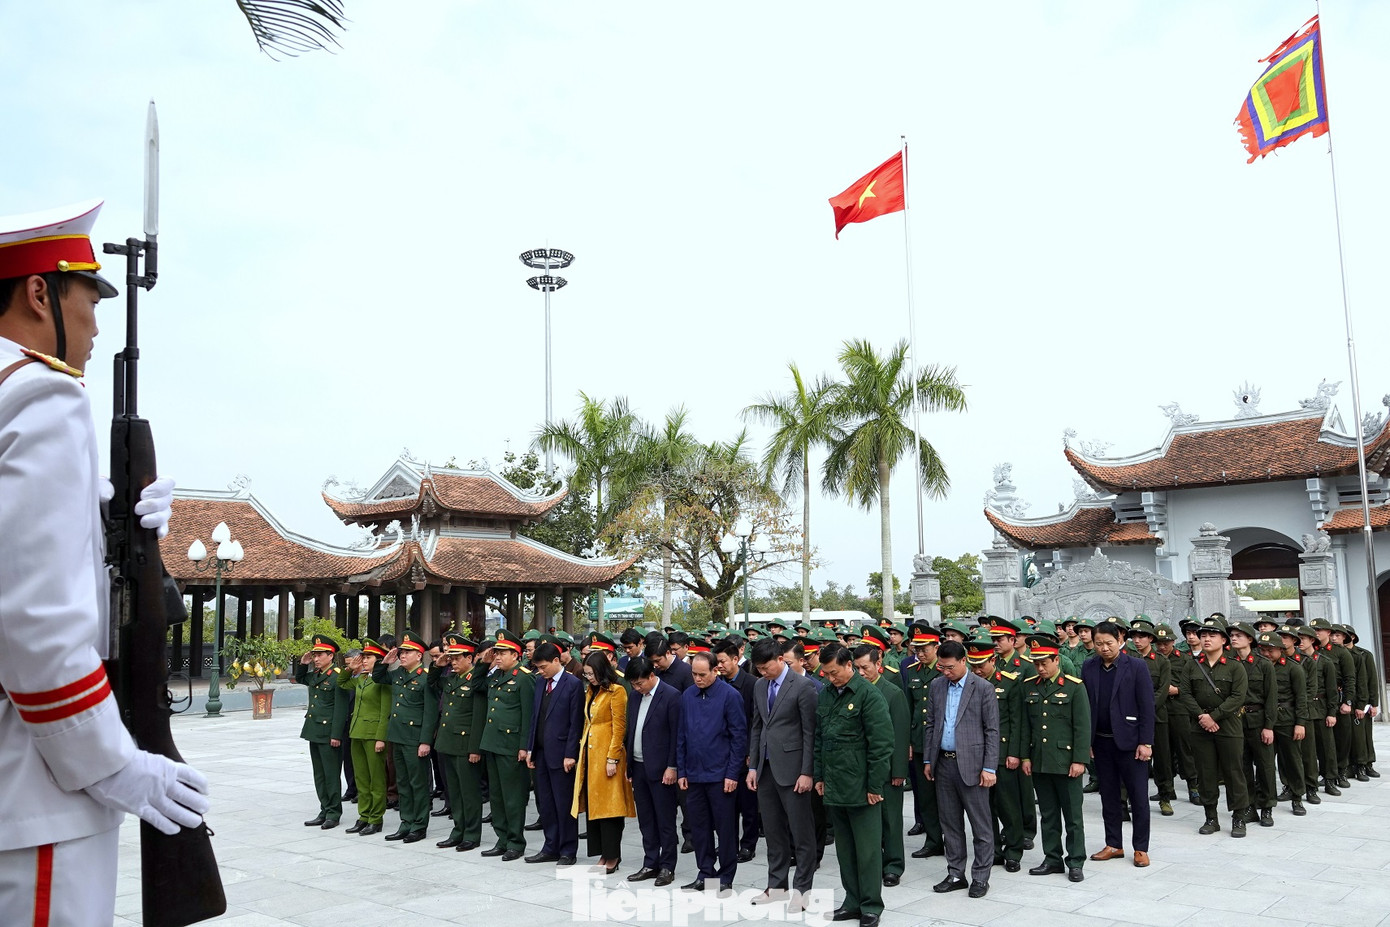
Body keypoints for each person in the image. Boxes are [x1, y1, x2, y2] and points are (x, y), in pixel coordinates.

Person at [0, 200, 211, 925]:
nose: (93, 324)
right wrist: (114, 763)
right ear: (39, 293)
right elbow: (38, 626)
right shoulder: (42, 397)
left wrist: (104, 524)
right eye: (89, 299)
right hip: (37, 792)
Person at [816, 643, 892, 927]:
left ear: (849, 665)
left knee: (869, 852)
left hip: (862, 788)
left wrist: (875, 786)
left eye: (834, 672)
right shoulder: (826, 694)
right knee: (845, 851)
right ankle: (852, 901)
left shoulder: (868, 695)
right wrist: (820, 776)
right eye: (826, 673)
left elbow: (881, 746)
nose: (830, 678)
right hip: (835, 785)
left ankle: (871, 906)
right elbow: (820, 740)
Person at [920, 639, 999, 899]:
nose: (945, 672)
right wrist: (929, 760)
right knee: (950, 823)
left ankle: (980, 877)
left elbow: (991, 731)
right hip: (943, 763)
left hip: (973, 766)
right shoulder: (937, 686)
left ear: (964, 661)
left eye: (950, 667)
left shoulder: (983, 688)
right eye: (941, 667)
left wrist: (989, 767)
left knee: (981, 825)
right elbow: (931, 724)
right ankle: (955, 873)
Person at [746, 638, 819, 911]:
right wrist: (753, 766)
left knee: (801, 834)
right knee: (774, 833)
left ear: (780, 659)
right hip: (765, 770)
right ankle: (776, 886)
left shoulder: (804, 686)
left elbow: (811, 733)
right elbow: (756, 727)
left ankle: (802, 890)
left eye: (767, 667)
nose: (763, 672)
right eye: (759, 669)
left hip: (794, 771)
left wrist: (806, 772)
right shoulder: (759, 686)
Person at [1082, 621, 1156, 868]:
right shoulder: (1089, 666)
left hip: (1130, 743)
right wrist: (1087, 741)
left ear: (1120, 640)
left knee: (1138, 797)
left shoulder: (1135, 666)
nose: (1103, 648)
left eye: (1108, 643)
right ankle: (1113, 844)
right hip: (1101, 743)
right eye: (1099, 643)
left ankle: (1141, 848)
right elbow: (1086, 707)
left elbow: (1147, 707)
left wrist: (1146, 742)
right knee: (1109, 796)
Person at [1019, 637, 1090, 882]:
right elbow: (1026, 726)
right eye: (1036, 663)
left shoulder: (1074, 686)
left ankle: (1076, 861)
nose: (1039, 668)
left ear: (1056, 660)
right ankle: (1052, 859)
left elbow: (1082, 727)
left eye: (1044, 663)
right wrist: (1026, 756)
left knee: (1072, 816)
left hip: (1066, 761)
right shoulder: (1029, 686)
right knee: (1048, 814)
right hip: (1040, 761)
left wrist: (1079, 760)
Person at [676, 652, 746, 895]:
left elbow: (739, 738)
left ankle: (726, 875)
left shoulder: (730, 696)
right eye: (694, 674)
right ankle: (705, 873)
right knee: (699, 828)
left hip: (720, 776)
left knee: (725, 828)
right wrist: (682, 770)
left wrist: (732, 774)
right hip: (694, 775)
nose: (697, 679)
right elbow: (682, 735)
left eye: (702, 674)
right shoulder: (688, 696)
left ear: (716, 670)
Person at [1176, 615, 1251, 837]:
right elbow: (1185, 693)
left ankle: (1238, 817)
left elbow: (1238, 697)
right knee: (1205, 772)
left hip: (1228, 727)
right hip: (1200, 727)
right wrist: (1202, 716)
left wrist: (1214, 717)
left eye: (1212, 635)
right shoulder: (1192, 665)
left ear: (1223, 640)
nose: (1206, 639)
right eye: (1203, 635)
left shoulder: (1235, 667)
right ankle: (1211, 817)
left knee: (1233, 772)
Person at [854, 627, 909, 889]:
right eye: (857, 668)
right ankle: (873, 863)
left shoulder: (892, 693)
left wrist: (899, 771)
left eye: (866, 667)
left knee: (890, 819)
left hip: (887, 769)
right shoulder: (855, 692)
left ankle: (894, 865)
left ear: (879, 664)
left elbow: (900, 735)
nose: (861, 673)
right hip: (862, 766)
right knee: (869, 820)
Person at [572, 652, 636, 874]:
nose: (588, 677)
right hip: (590, 756)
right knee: (594, 806)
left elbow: (620, 727)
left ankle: (613, 856)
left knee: (610, 808)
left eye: (591, 673)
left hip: (608, 757)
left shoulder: (616, 691)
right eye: (586, 674)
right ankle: (601, 853)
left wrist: (613, 757)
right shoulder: (592, 690)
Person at [372, 631, 438, 843]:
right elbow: (378, 677)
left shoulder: (426, 678)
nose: (402, 655)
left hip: (414, 738)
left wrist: (425, 741)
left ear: (419, 655)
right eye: (401, 652)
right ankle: (406, 822)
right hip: (397, 736)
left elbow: (430, 712)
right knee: (402, 782)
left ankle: (419, 825)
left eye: (408, 652)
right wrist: (385, 661)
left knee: (417, 783)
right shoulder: (398, 674)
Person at [624, 656, 681, 887]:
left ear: (651, 676)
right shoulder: (635, 697)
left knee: (664, 819)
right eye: (633, 685)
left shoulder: (671, 696)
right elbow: (632, 729)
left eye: (639, 683)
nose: (637, 688)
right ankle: (650, 862)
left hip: (662, 769)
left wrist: (672, 766)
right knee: (646, 819)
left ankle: (667, 866)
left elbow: (677, 735)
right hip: (638, 766)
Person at [478, 629, 535, 859]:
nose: (498, 656)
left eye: (502, 653)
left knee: (513, 797)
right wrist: (483, 663)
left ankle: (515, 842)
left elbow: (528, 715)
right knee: (497, 796)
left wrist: (524, 746)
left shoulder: (524, 677)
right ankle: (502, 839)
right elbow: (476, 687)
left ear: (516, 655)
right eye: (496, 653)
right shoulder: (495, 676)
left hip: (512, 746)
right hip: (493, 743)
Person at [527, 640, 584, 865]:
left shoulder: (573, 684)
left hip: (562, 755)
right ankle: (550, 846)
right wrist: (530, 748)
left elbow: (575, 722)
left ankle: (568, 850)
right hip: (541, 753)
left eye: (543, 667)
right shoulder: (540, 683)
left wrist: (570, 753)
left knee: (563, 804)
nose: (540, 672)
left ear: (556, 661)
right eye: (537, 668)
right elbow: (535, 718)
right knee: (546, 804)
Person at [428, 634, 486, 851]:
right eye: (450, 658)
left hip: (465, 746)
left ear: (469, 658)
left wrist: (475, 749)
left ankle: (471, 834)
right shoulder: (451, 678)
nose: (452, 661)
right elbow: (431, 682)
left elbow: (478, 717)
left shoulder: (476, 681)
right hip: (447, 743)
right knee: (454, 791)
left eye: (457, 657)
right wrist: (437, 664)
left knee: (469, 792)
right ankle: (458, 830)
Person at [294, 635, 350, 830]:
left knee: (331, 773)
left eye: (319, 655)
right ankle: (324, 809)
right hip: (314, 730)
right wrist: (303, 663)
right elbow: (300, 678)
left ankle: (334, 812)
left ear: (330, 655)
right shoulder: (316, 675)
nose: (316, 658)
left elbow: (341, 709)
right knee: (319, 774)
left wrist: (336, 735)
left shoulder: (337, 676)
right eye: (314, 655)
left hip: (329, 733)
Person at [714, 638, 759, 863]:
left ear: (735, 659)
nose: (719, 666)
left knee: (748, 805)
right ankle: (727, 844)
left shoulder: (752, 684)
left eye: (722, 661)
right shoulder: (716, 685)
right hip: (722, 754)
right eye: (717, 662)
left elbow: (756, 721)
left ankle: (748, 845)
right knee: (725, 806)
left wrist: (752, 751)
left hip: (745, 755)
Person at [902, 624, 945, 862]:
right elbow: (908, 707)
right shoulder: (912, 670)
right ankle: (933, 840)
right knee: (926, 795)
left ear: (936, 647)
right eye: (916, 648)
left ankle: (951, 836)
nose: (920, 653)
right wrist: (908, 740)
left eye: (925, 648)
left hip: (944, 742)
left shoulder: (946, 668)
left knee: (947, 795)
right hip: (920, 741)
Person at [1229, 622, 1278, 828]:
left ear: (1250, 639)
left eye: (1239, 635)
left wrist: (1269, 726)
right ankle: (1248, 807)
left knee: (1265, 765)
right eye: (1232, 635)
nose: (1233, 638)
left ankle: (1266, 807)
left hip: (1258, 720)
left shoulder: (1263, 663)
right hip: (1235, 721)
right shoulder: (1229, 662)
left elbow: (1271, 698)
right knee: (1242, 766)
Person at [340, 638, 390, 836]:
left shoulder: (382, 681)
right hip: (357, 733)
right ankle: (364, 815)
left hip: (373, 735)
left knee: (375, 779)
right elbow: (342, 683)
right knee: (361, 778)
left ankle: (376, 818)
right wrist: (350, 668)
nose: (365, 660)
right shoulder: (361, 678)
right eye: (364, 657)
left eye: (369, 657)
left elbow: (385, 711)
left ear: (379, 660)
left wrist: (381, 738)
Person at [1257, 631, 1308, 817]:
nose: (1266, 654)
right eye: (1262, 650)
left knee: (1292, 760)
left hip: (1286, 719)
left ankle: (1297, 797)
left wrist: (1300, 723)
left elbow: (1301, 698)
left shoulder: (1293, 668)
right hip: (1264, 720)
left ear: (1280, 649)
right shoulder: (1257, 667)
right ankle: (1264, 799)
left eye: (1270, 650)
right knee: (1265, 763)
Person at [1129, 619, 1174, 816]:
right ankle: (1136, 799)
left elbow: (1162, 690)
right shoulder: (1128, 658)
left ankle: (1165, 797)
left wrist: (1144, 709)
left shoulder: (1162, 661)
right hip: (1133, 719)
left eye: (1142, 637)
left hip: (1157, 717)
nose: (1137, 641)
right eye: (1135, 637)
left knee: (1162, 759)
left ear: (1150, 639)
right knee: (1137, 761)